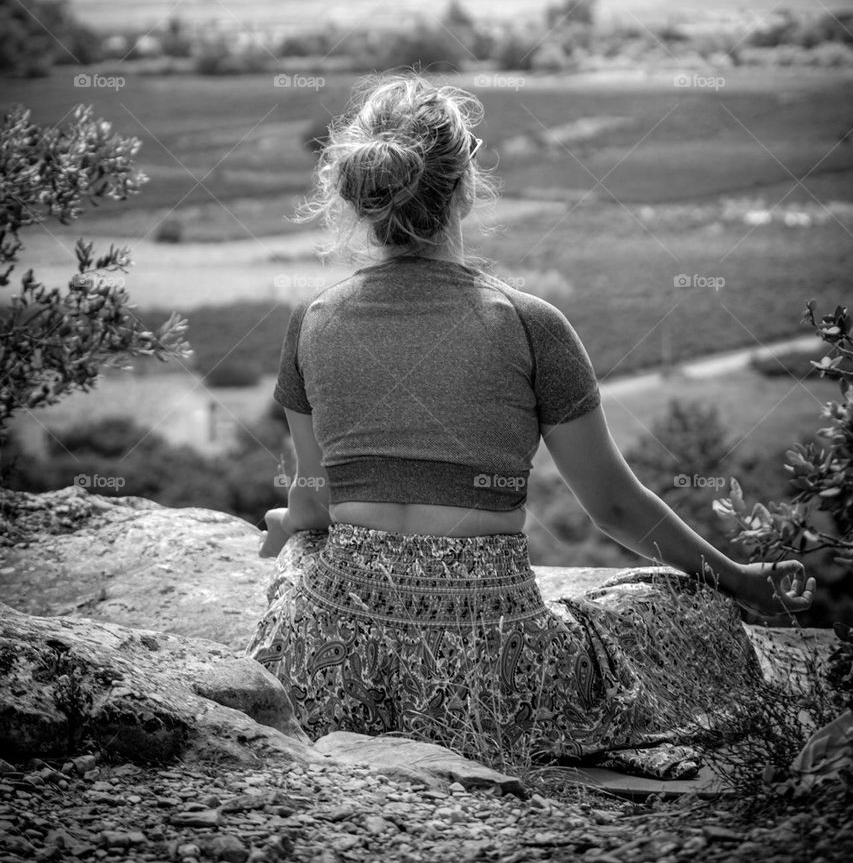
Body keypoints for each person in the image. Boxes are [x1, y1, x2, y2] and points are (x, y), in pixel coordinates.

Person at [245, 72, 815, 774]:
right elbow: (611, 507)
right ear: (463, 187)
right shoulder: (528, 324)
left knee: (304, 571)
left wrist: (284, 523)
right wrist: (740, 579)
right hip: (492, 669)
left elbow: (311, 505)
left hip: (328, 658)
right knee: (680, 610)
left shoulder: (313, 319)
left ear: (357, 198)